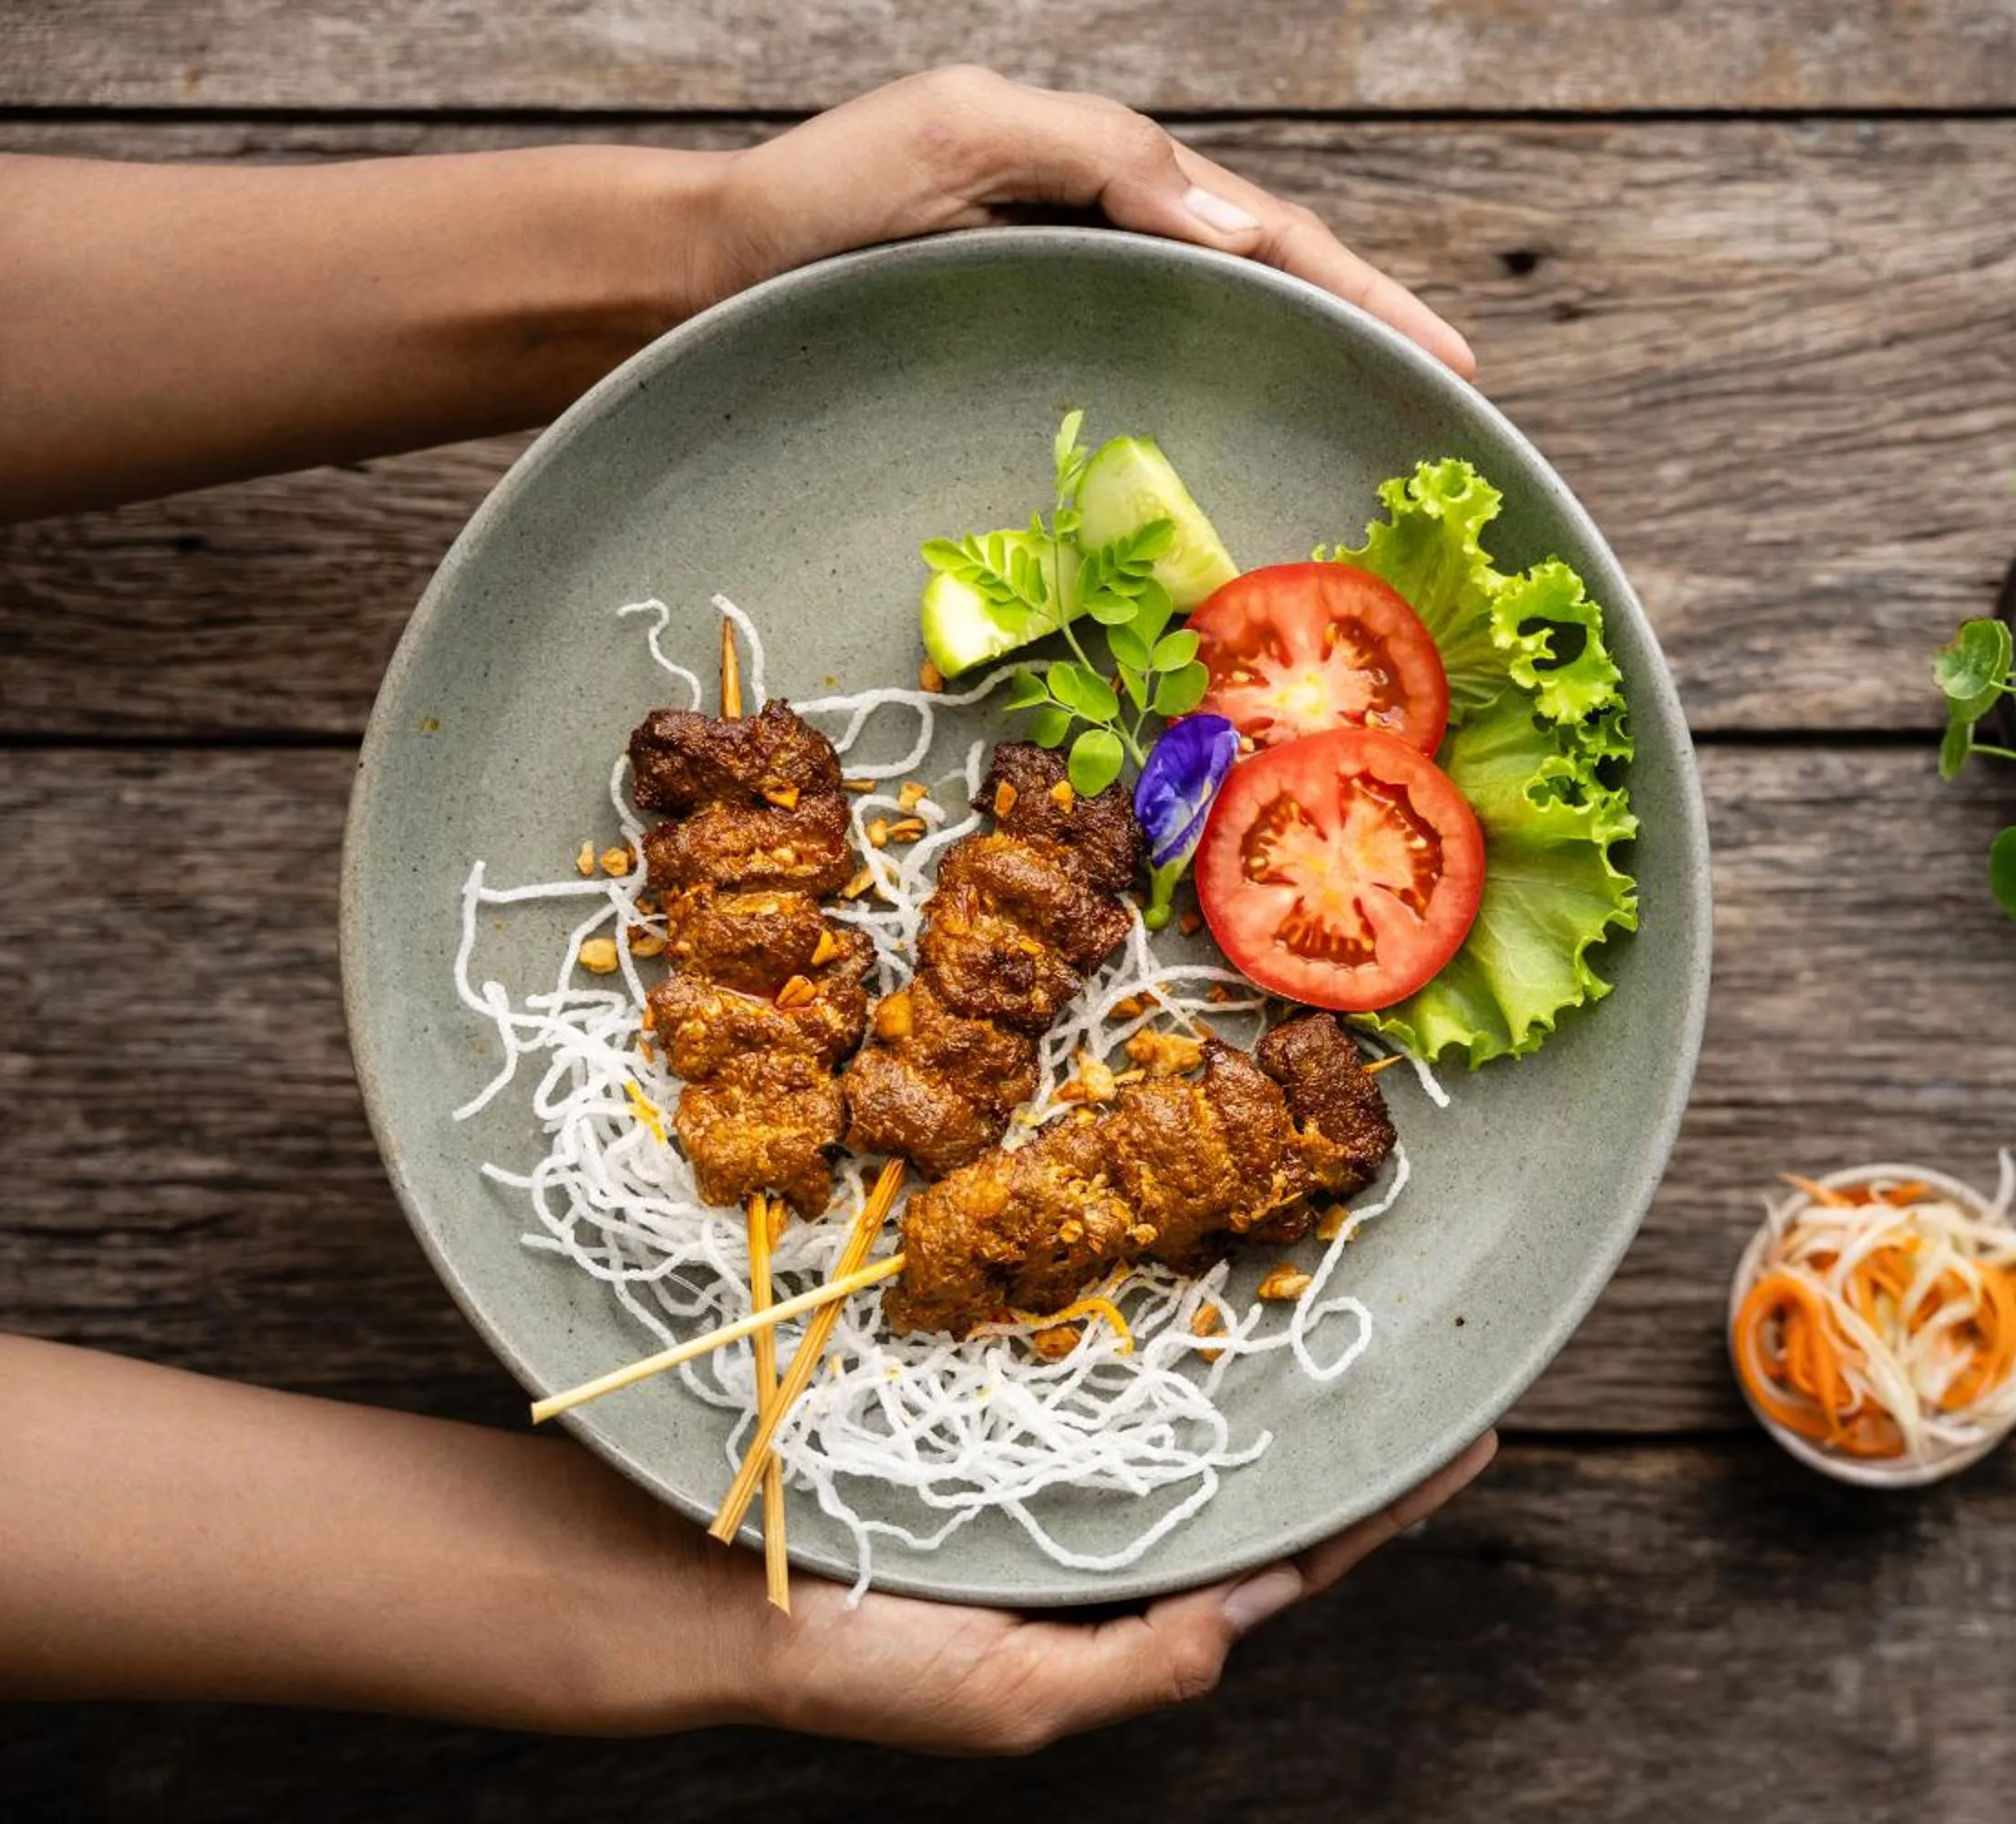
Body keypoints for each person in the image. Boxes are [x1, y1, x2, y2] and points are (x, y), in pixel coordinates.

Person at [0, 65, 1494, 1753]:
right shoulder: (835, 1070)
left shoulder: (954, 1106)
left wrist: (713, 245)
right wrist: (724, 1637)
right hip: (866, 1122)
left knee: (979, 1124)